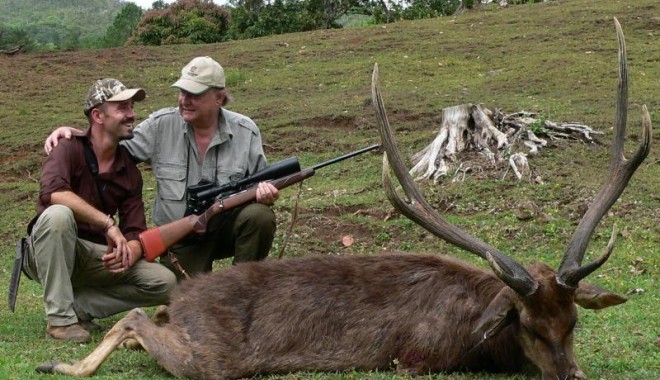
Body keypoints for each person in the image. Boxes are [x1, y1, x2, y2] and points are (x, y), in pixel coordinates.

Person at [45, 57, 279, 280]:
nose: (184, 100)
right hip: (181, 237)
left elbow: (261, 182)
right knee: (181, 303)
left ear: (219, 98)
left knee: (259, 216)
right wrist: (75, 134)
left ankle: (243, 289)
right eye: (182, 91)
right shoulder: (160, 126)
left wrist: (265, 195)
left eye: (194, 94)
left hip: (228, 229)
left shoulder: (245, 131)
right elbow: (109, 143)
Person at [26, 79, 177, 343]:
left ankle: (80, 307)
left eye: (131, 106)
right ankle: (60, 322)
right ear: (98, 115)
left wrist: (130, 251)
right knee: (58, 215)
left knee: (165, 282)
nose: (131, 114)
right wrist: (108, 224)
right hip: (46, 250)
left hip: (95, 257)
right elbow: (54, 194)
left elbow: (135, 229)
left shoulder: (129, 171)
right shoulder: (67, 148)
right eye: (121, 108)